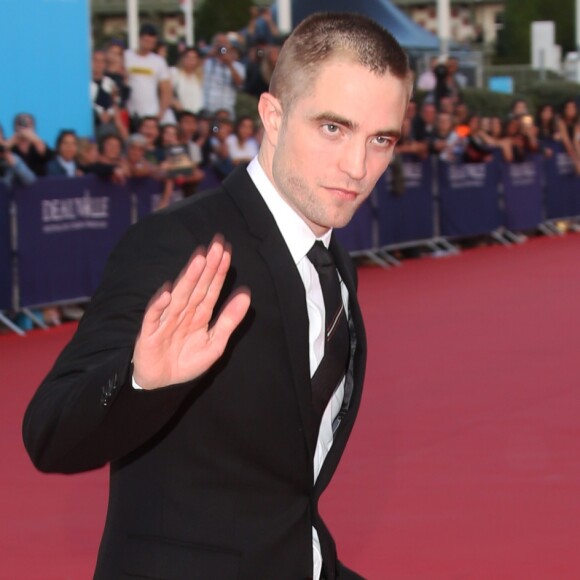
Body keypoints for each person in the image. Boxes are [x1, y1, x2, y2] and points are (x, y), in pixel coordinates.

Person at [23, 12, 412, 580]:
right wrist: (140, 382)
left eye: (381, 139)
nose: (358, 166)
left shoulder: (333, 267)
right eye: (333, 128)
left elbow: (284, 491)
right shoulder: (180, 244)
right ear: (273, 116)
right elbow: (50, 433)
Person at [124, 23, 174, 126]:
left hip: (151, 113)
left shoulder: (159, 61)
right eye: (146, 41)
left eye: (152, 42)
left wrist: (161, 113)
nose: (148, 45)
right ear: (140, 38)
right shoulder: (126, 56)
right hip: (130, 112)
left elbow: (166, 90)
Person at [202, 33, 246, 116]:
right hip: (207, 108)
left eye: (224, 43)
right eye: (218, 42)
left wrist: (229, 64)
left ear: (229, 46)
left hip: (226, 109)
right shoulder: (207, 63)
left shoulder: (237, 66)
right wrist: (209, 54)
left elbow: (239, 83)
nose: (221, 45)